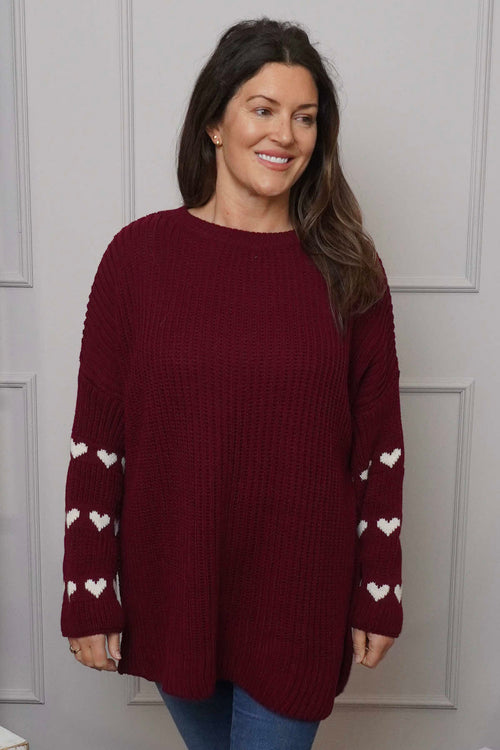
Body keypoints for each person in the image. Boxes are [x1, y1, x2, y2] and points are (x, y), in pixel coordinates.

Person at [61, 17, 404, 750]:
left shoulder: (349, 268)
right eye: (264, 109)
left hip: (299, 598)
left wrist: (380, 588)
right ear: (215, 122)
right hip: (176, 587)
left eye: (306, 117)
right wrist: (88, 589)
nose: (287, 134)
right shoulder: (137, 261)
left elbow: (379, 450)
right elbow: (98, 441)